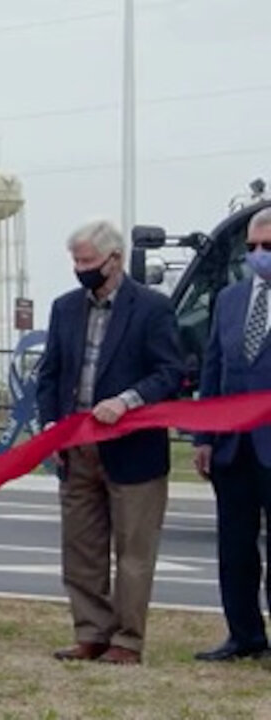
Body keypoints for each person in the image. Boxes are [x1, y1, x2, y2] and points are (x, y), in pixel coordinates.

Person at [35, 219, 183, 666]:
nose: (81, 269)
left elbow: (170, 372)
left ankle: (127, 640)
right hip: (76, 447)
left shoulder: (152, 309)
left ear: (115, 260)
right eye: (76, 261)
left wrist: (127, 400)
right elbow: (51, 374)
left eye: (88, 261)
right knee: (80, 548)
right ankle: (90, 632)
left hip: (133, 449)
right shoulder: (64, 308)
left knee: (133, 550)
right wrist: (51, 427)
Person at [193, 207, 271, 662]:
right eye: (253, 247)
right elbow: (214, 368)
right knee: (235, 547)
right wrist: (203, 436)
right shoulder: (230, 299)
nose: (259, 255)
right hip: (233, 446)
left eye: (269, 247)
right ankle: (243, 635)